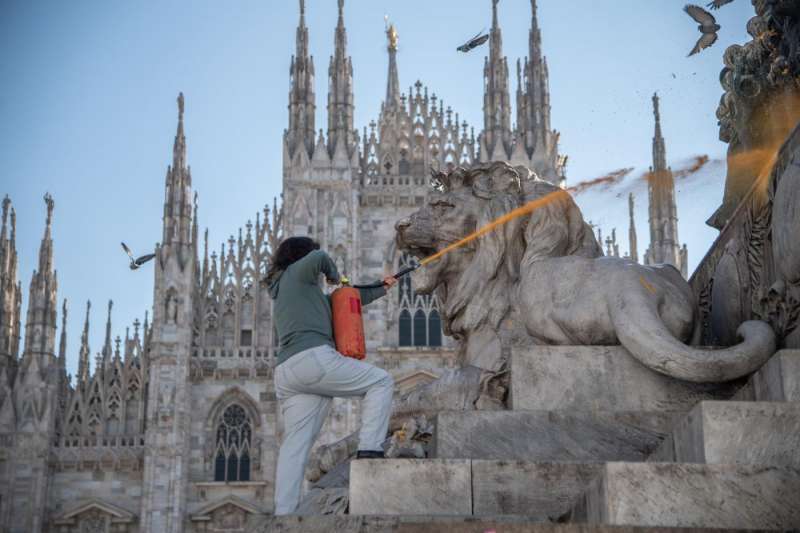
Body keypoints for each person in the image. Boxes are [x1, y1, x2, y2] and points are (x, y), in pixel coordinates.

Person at [266, 236, 397, 515]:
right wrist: (336, 277)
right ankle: (370, 450)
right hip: (312, 358)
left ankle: (284, 513)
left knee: (295, 446)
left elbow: (343, 302)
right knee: (380, 381)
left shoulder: (293, 291)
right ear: (300, 256)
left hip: (288, 373)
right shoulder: (297, 273)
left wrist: (381, 288)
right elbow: (321, 258)